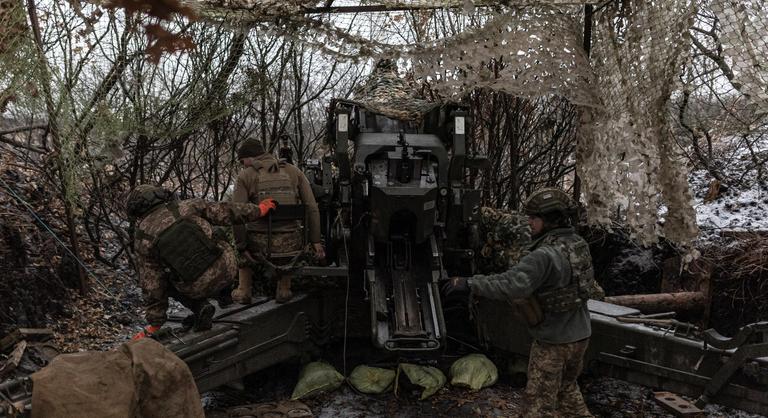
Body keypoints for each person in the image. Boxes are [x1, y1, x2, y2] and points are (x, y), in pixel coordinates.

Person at [444, 187, 603, 418]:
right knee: (567, 391)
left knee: (537, 405)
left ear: (549, 220)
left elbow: (512, 284)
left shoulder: (544, 255)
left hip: (553, 343)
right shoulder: (577, 243)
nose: (528, 222)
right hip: (580, 336)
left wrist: (469, 283)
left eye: (533, 217)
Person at [127, 184, 276, 339]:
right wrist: (259, 210)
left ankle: (199, 307)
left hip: (195, 288)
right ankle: (225, 293)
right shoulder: (186, 206)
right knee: (217, 233)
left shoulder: (142, 238)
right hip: (228, 268)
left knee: (164, 277)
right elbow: (228, 211)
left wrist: (155, 323)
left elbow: (152, 285)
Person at [231, 137, 325, 304]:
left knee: (241, 241)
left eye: (242, 160)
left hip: (259, 244)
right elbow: (311, 207)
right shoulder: (294, 171)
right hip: (291, 243)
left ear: (250, 157)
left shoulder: (246, 176)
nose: (243, 164)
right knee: (287, 237)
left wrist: (241, 246)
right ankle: (284, 289)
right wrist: (315, 241)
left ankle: (244, 290)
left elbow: (236, 214)